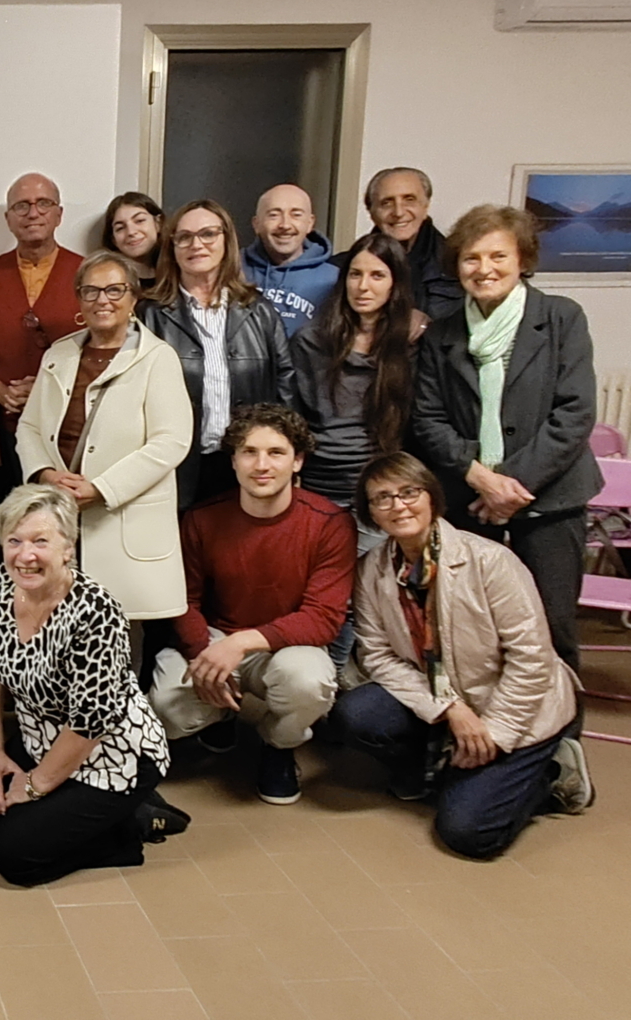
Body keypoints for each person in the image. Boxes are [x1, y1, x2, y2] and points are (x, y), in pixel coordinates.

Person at [338, 452, 594, 858]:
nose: (398, 505)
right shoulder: (372, 569)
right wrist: (450, 710)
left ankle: (553, 772)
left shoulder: (490, 561)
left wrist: (495, 733)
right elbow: (378, 657)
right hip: (449, 700)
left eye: (409, 492)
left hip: (516, 707)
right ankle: (434, 767)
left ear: (432, 497)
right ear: (370, 512)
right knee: (357, 714)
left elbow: (532, 659)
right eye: (382, 498)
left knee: (468, 834)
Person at [0, 484, 184, 887]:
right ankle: (103, 815)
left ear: (68, 547)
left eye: (40, 541)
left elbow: (89, 724)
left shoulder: (97, 612)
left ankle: (129, 829)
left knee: (14, 858)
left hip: (112, 754)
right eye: (14, 540)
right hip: (41, 739)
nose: (24, 555)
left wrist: (33, 786)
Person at [414, 205, 600, 670]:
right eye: (471, 259)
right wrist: (481, 478)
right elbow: (427, 419)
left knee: (551, 625)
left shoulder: (561, 319)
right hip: (470, 498)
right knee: (469, 625)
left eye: (498, 256)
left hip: (550, 499)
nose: (484, 269)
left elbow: (574, 413)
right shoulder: (443, 333)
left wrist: (508, 486)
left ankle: (558, 738)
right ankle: (477, 731)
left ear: (523, 260)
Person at [149, 405, 353, 805]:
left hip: (284, 645)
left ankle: (278, 746)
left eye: (276, 453)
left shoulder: (329, 523)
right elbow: (182, 600)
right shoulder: (203, 518)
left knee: (308, 683)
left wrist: (240, 645)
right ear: (233, 461)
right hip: (216, 636)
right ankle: (220, 713)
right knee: (167, 706)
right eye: (249, 452)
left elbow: (323, 619)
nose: (262, 465)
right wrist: (204, 652)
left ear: (298, 461)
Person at [16, 252, 192, 626]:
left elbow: (172, 441)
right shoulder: (59, 353)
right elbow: (28, 428)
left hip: (121, 519)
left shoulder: (157, 358)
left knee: (117, 638)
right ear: (79, 299)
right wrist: (47, 475)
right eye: (91, 291)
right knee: (57, 629)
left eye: (115, 290)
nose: (102, 300)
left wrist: (102, 488)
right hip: (60, 516)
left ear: (133, 298)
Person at [139, 200, 295, 509]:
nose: (196, 244)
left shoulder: (259, 311)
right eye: (184, 237)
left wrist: (284, 458)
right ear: (172, 247)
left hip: (247, 465)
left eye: (208, 234)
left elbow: (286, 388)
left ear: (227, 240)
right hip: (176, 469)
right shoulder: (149, 315)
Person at [0, 173, 84, 521]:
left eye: (43, 203)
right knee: (7, 524)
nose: (33, 213)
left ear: (59, 214)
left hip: (68, 431)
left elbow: (103, 353)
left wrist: (49, 390)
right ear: (9, 219)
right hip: (4, 429)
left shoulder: (86, 273)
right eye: (22, 206)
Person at [288, 233, 425, 511]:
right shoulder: (310, 341)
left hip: (383, 486)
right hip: (318, 482)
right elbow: (291, 415)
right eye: (355, 275)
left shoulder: (410, 344)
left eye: (377, 276)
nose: (363, 286)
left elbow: (419, 424)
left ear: (394, 284)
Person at [365, 167, 465, 321]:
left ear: (425, 206)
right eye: (387, 203)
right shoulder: (343, 268)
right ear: (371, 212)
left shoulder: (458, 264)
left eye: (409, 200)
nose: (398, 212)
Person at [242, 184, 337, 337]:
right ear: (256, 224)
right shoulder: (232, 269)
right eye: (274, 215)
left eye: (296, 215)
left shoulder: (335, 280)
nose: (285, 225)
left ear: (310, 223)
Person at [100, 190, 165, 283]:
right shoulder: (107, 279)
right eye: (120, 228)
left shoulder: (180, 271)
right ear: (113, 239)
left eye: (139, 221)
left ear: (158, 223)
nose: (131, 232)